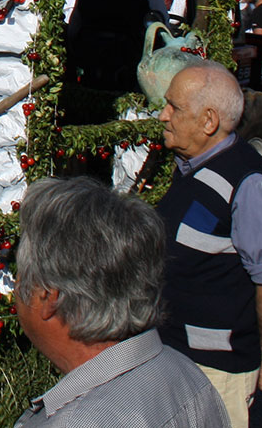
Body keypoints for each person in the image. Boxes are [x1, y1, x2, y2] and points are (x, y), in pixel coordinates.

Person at [13, 176, 229, 428]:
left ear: (49, 297)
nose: (16, 285)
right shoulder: (188, 375)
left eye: (21, 272)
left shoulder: (76, 422)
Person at [156, 62, 262, 428]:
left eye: (174, 107)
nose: (162, 115)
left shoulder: (249, 185)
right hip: (172, 355)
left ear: (209, 121)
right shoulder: (191, 168)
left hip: (214, 372)